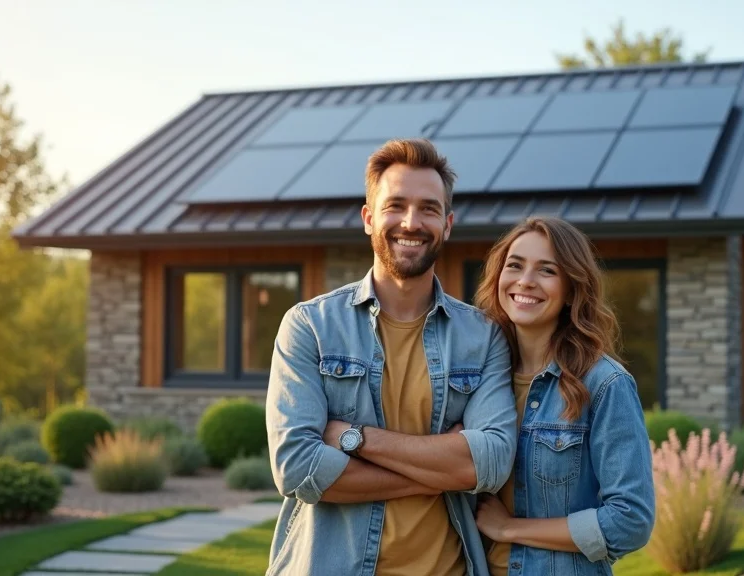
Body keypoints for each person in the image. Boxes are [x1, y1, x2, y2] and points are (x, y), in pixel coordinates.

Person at [264, 138, 518, 576]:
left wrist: (355, 439)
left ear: (448, 223)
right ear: (368, 217)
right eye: (395, 205)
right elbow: (298, 469)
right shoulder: (310, 327)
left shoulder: (484, 337)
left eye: (428, 209)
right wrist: (447, 468)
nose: (411, 222)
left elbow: (491, 463)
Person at [471, 216, 656, 575]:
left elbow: (631, 520)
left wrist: (510, 528)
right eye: (515, 265)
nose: (525, 281)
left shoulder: (604, 384)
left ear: (572, 288)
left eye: (547, 271)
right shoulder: (478, 379)